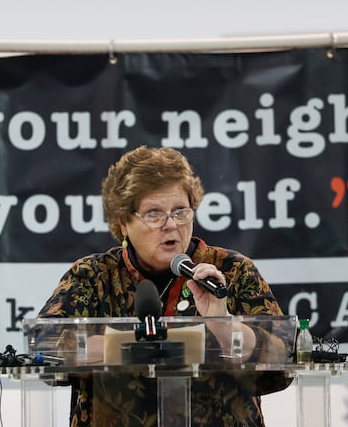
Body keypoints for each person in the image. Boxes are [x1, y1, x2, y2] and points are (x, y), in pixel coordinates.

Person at [37, 145, 290, 427]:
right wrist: (132, 346)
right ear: (123, 222)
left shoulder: (231, 272)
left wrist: (224, 326)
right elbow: (46, 347)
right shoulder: (93, 276)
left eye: (180, 210)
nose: (171, 224)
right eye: (154, 213)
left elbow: (283, 359)